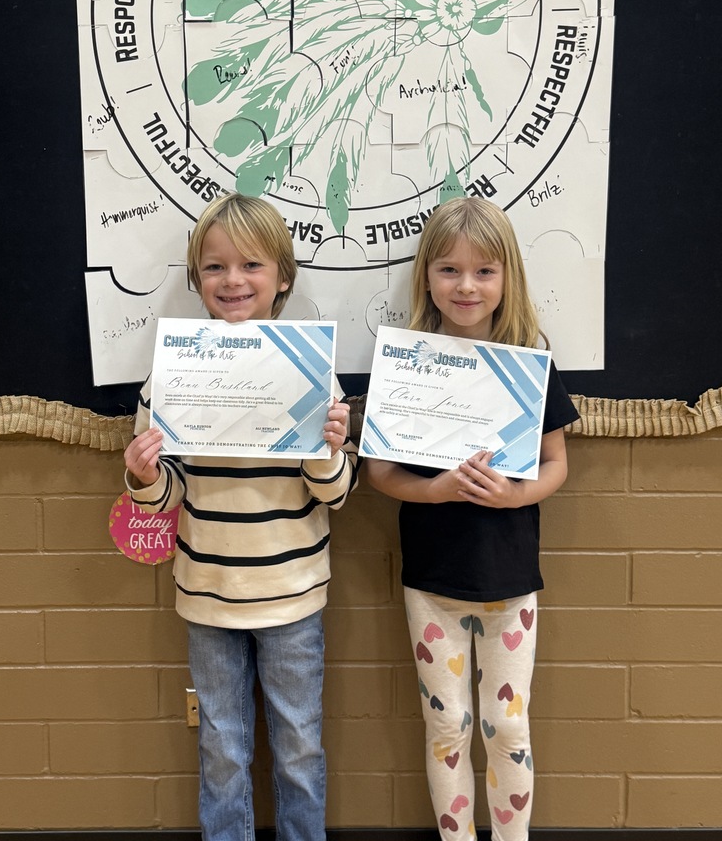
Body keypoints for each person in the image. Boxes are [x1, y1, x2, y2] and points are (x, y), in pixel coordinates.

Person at [124, 193, 357, 841]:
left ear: (283, 276)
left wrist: (329, 448)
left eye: (251, 265)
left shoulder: (313, 374)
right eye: (215, 267)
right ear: (197, 278)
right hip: (207, 599)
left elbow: (335, 496)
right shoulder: (168, 375)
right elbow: (167, 495)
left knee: (300, 750)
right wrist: (144, 477)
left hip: (292, 599)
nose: (232, 281)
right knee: (223, 755)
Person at [365, 197, 579, 841]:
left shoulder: (528, 363)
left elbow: (556, 463)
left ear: (507, 276)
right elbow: (380, 474)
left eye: (484, 271)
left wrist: (516, 497)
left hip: (510, 581)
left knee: (508, 726)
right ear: (426, 277)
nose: (466, 286)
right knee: (447, 725)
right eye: (449, 270)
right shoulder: (407, 366)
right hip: (432, 581)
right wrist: (441, 491)